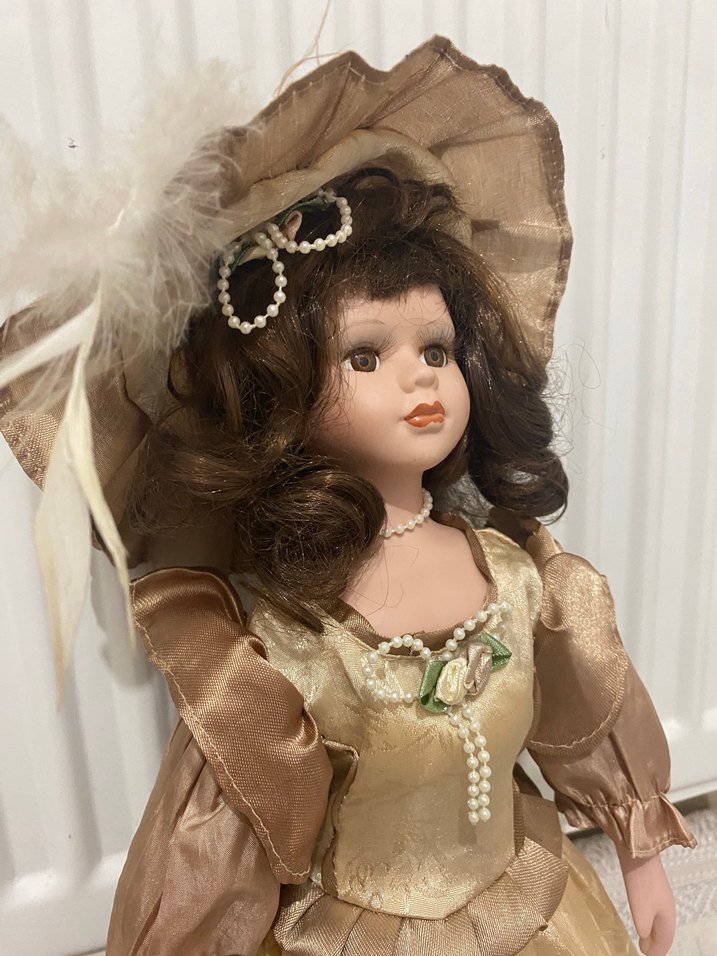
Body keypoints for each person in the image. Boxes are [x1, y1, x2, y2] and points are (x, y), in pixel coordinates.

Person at [0, 38, 695, 956]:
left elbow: (582, 710)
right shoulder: (276, 634)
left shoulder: (521, 575)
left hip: (528, 905)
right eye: (366, 355)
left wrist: (640, 853)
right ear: (281, 391)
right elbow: (224, 852)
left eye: (435, 349)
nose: (419, 378)